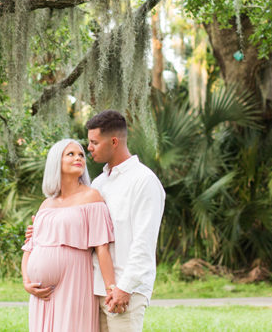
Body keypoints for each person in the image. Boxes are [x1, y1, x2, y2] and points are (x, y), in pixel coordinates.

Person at [22, 138, 118, 332]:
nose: (79, 158)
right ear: (56, 161)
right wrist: (26, 283)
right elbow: (30, 248)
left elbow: (102, 248)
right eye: (71, 154)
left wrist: (111, 289)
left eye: (81, 154)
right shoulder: (46, 204)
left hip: (75, 280)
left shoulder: (91, 197)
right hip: (41, 294)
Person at [86, 110, 165, 332]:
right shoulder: (99, 183)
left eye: (94, 142)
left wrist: (125, 288)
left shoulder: (144, 181)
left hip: (125, 291)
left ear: (113, 141)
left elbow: (144, 241)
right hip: (96, 289)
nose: (89, 148)